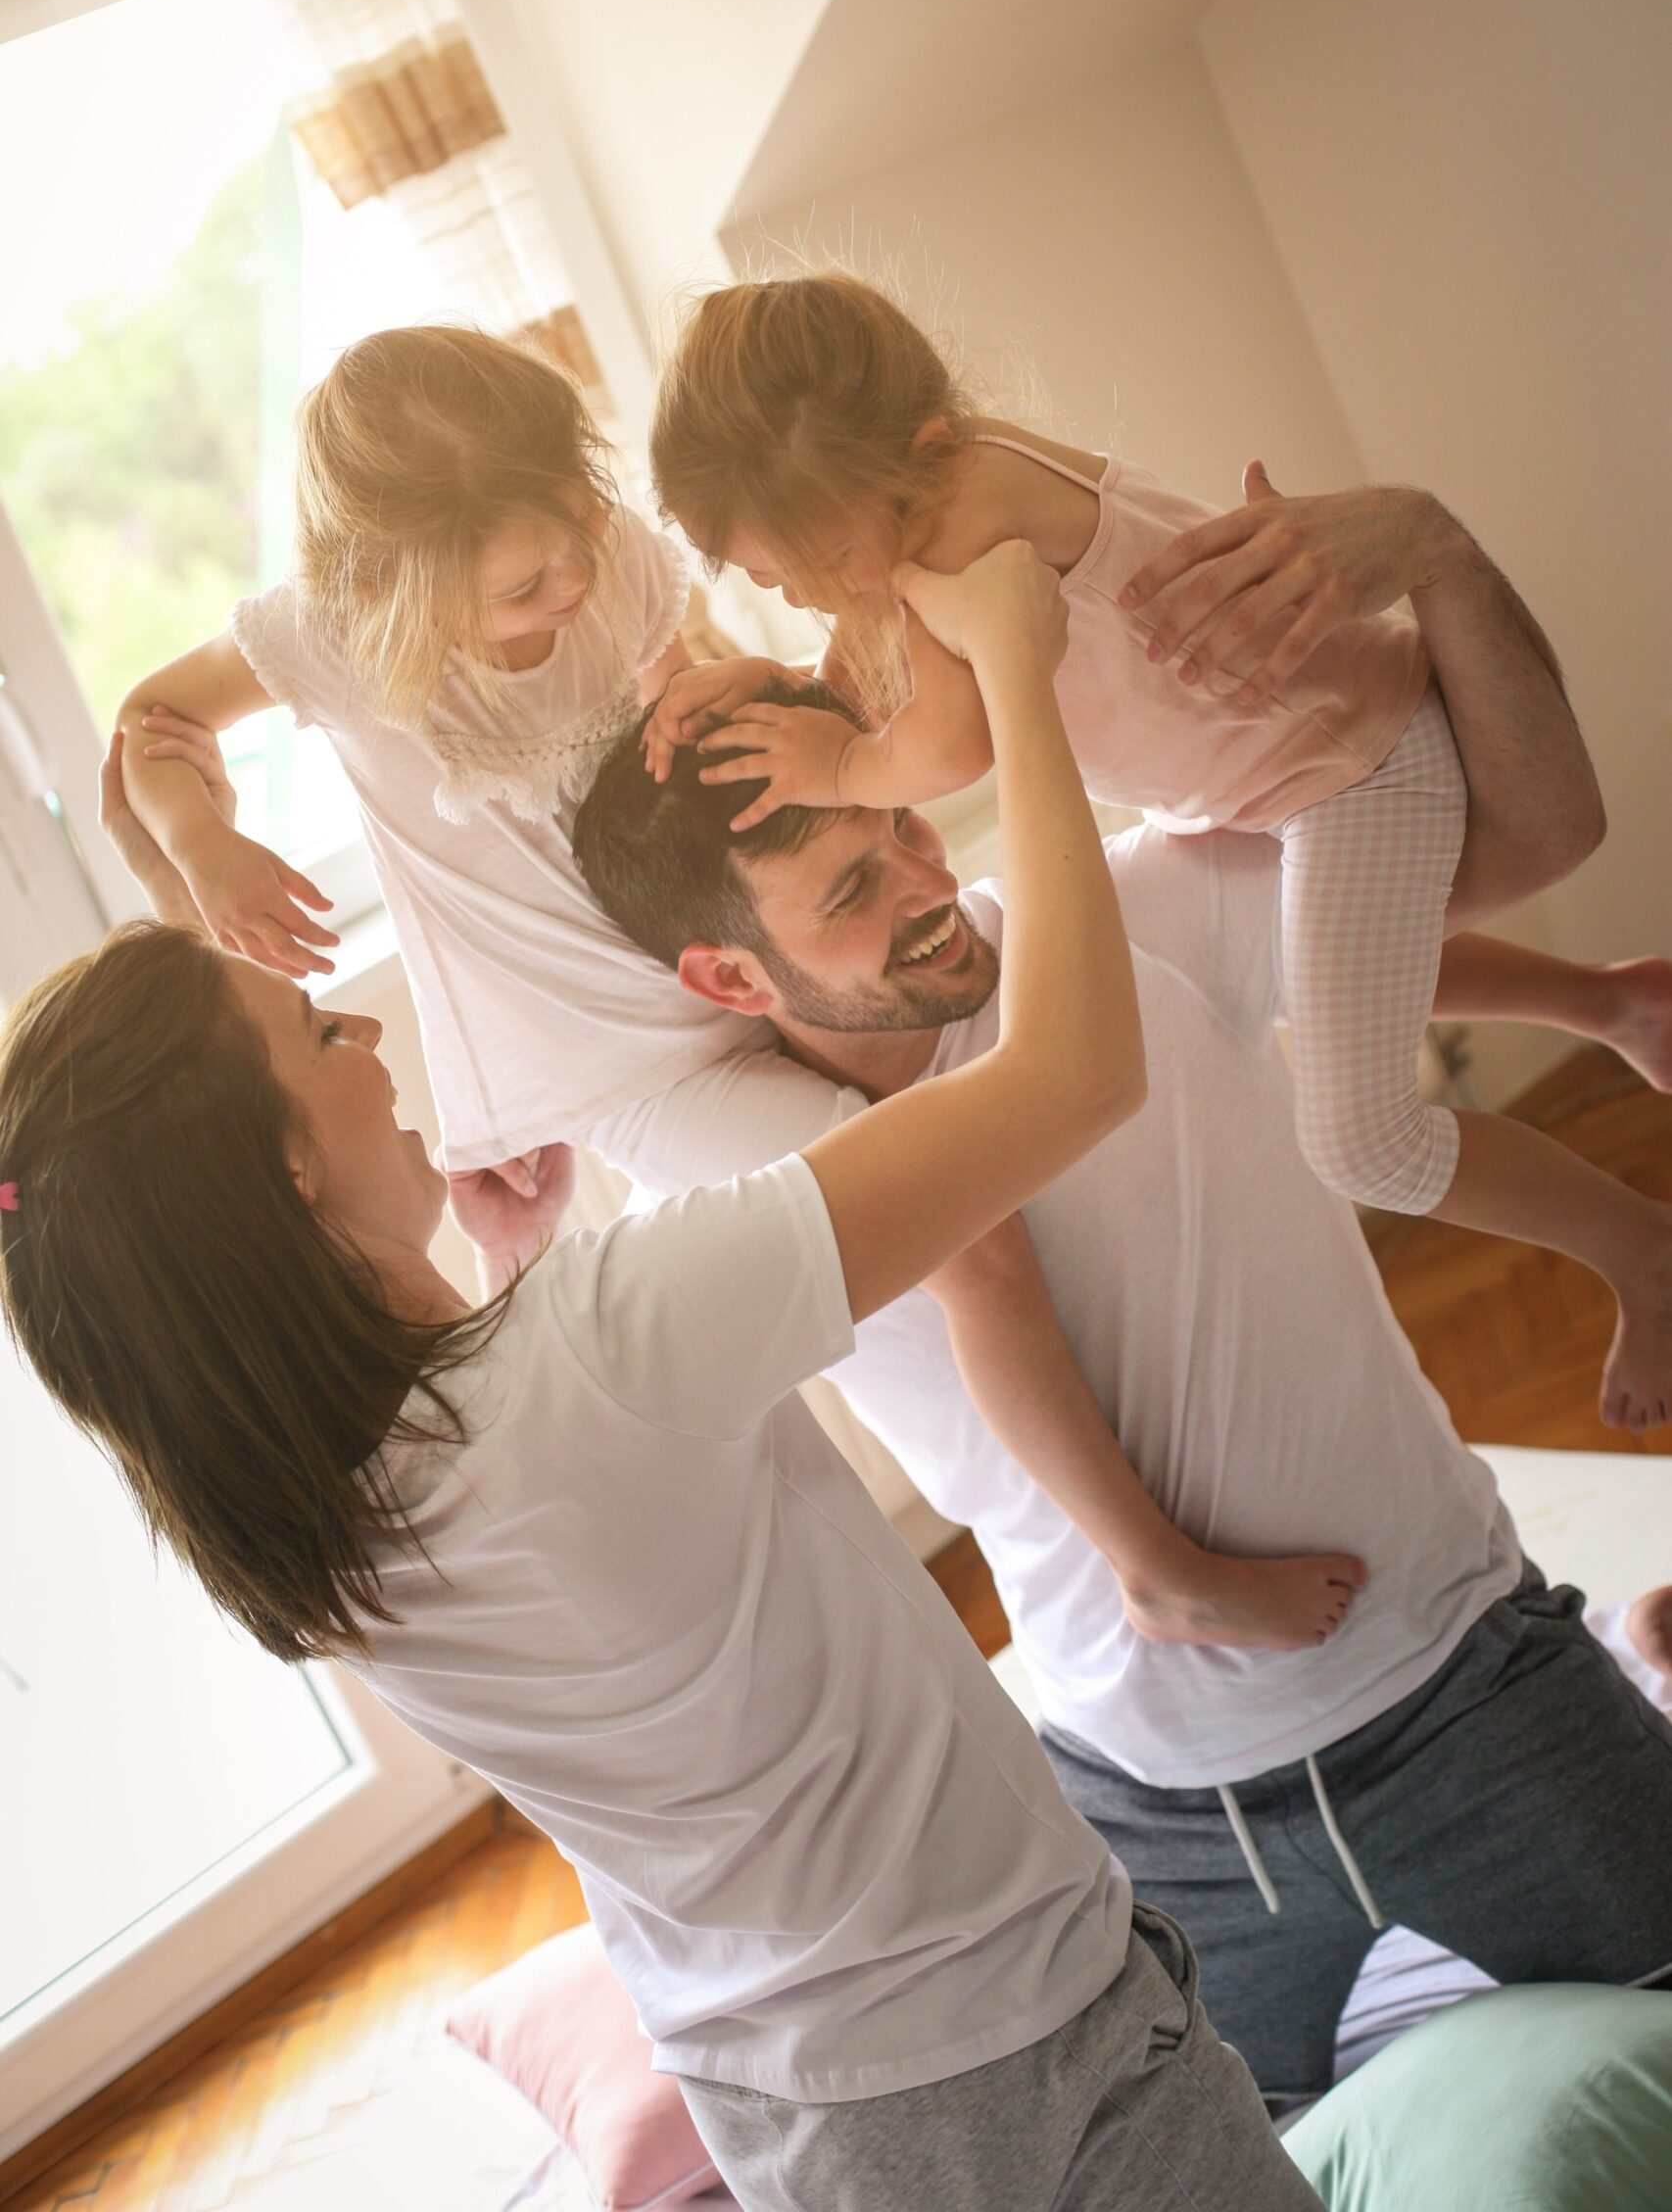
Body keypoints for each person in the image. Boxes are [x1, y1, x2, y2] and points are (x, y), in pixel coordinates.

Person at [2, 549, 1326, 2212]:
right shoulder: (610, 1346)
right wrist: (1013, 688)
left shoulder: (298, 1510)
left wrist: (500, 1271)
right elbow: (1072, 1073)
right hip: (1014, 2040)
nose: (366, 1036)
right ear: (283, 1175)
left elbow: (573, 1541)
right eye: (315, 1034)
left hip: (793, 2111)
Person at [570, 538, 1672, 2112]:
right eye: (848, 888)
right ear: (722, 973)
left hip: (1459, 1685)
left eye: (898, 820)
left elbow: (1386, 907)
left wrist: (1592, 1001)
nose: (923, 880)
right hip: (1155, 1809)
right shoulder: (732, 1167)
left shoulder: (1120, 920)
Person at [119, 324, 1292, 1657]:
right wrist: (204, 844)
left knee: (1022, 1100)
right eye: (520, 586)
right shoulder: (327, 639)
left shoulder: (606, 564)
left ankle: (1178, 1448)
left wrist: (709, 679)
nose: (569, 581)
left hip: (735, 972)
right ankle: (1149, 1563)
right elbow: (155, 724)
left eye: (574, 531)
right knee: (969, 1239)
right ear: (398, 586)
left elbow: (674, 666)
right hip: (633, 1075)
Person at [643, 272, 1671, 1520]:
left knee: (1363, 1141)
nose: (810, 597)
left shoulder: (962, 522)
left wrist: (843, 763)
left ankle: (1640, 1248)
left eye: (816, 564)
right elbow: (893, 650)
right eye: (776, 581)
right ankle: (1616, 1004)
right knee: (1298, 951)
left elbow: (954, 737)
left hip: (1347, 769)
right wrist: (772, 670)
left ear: (907, 458)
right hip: (1268, 785)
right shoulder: (933, 498)